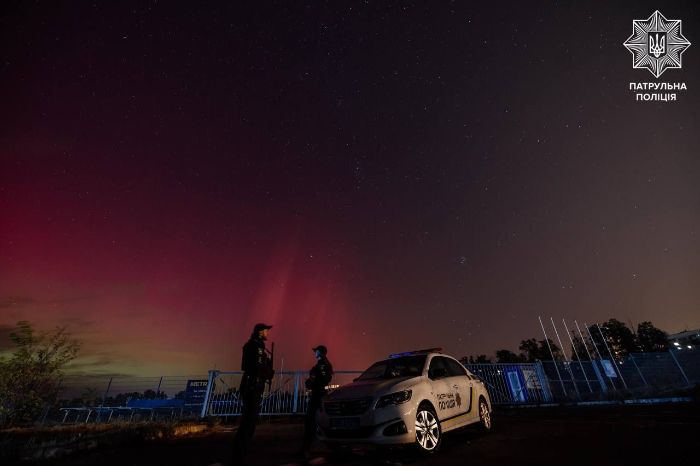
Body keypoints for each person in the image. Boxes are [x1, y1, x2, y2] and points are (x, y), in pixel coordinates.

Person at [232, 323, 274, 465]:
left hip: (253, 386)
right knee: (248, 422)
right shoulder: (255, 346)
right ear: (260, 332)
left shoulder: (256, 345)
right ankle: (239, 456)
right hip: (252, 386)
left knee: (249, 421)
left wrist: (267, 368)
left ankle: (240, 453)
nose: (267, 333)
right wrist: (268, 372)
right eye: (266, 331)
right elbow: (254, 367)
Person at [300, 345, 333, 457]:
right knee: (313, 421)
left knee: (311, 421)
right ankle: (306, 448)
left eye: (317, 351)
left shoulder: (323, 365)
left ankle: (306, 449)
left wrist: (312, 383)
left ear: (321, 352)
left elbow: (325, 379)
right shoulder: (321, 364)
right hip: (317, 394)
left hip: (318, 395)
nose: (315, 353)